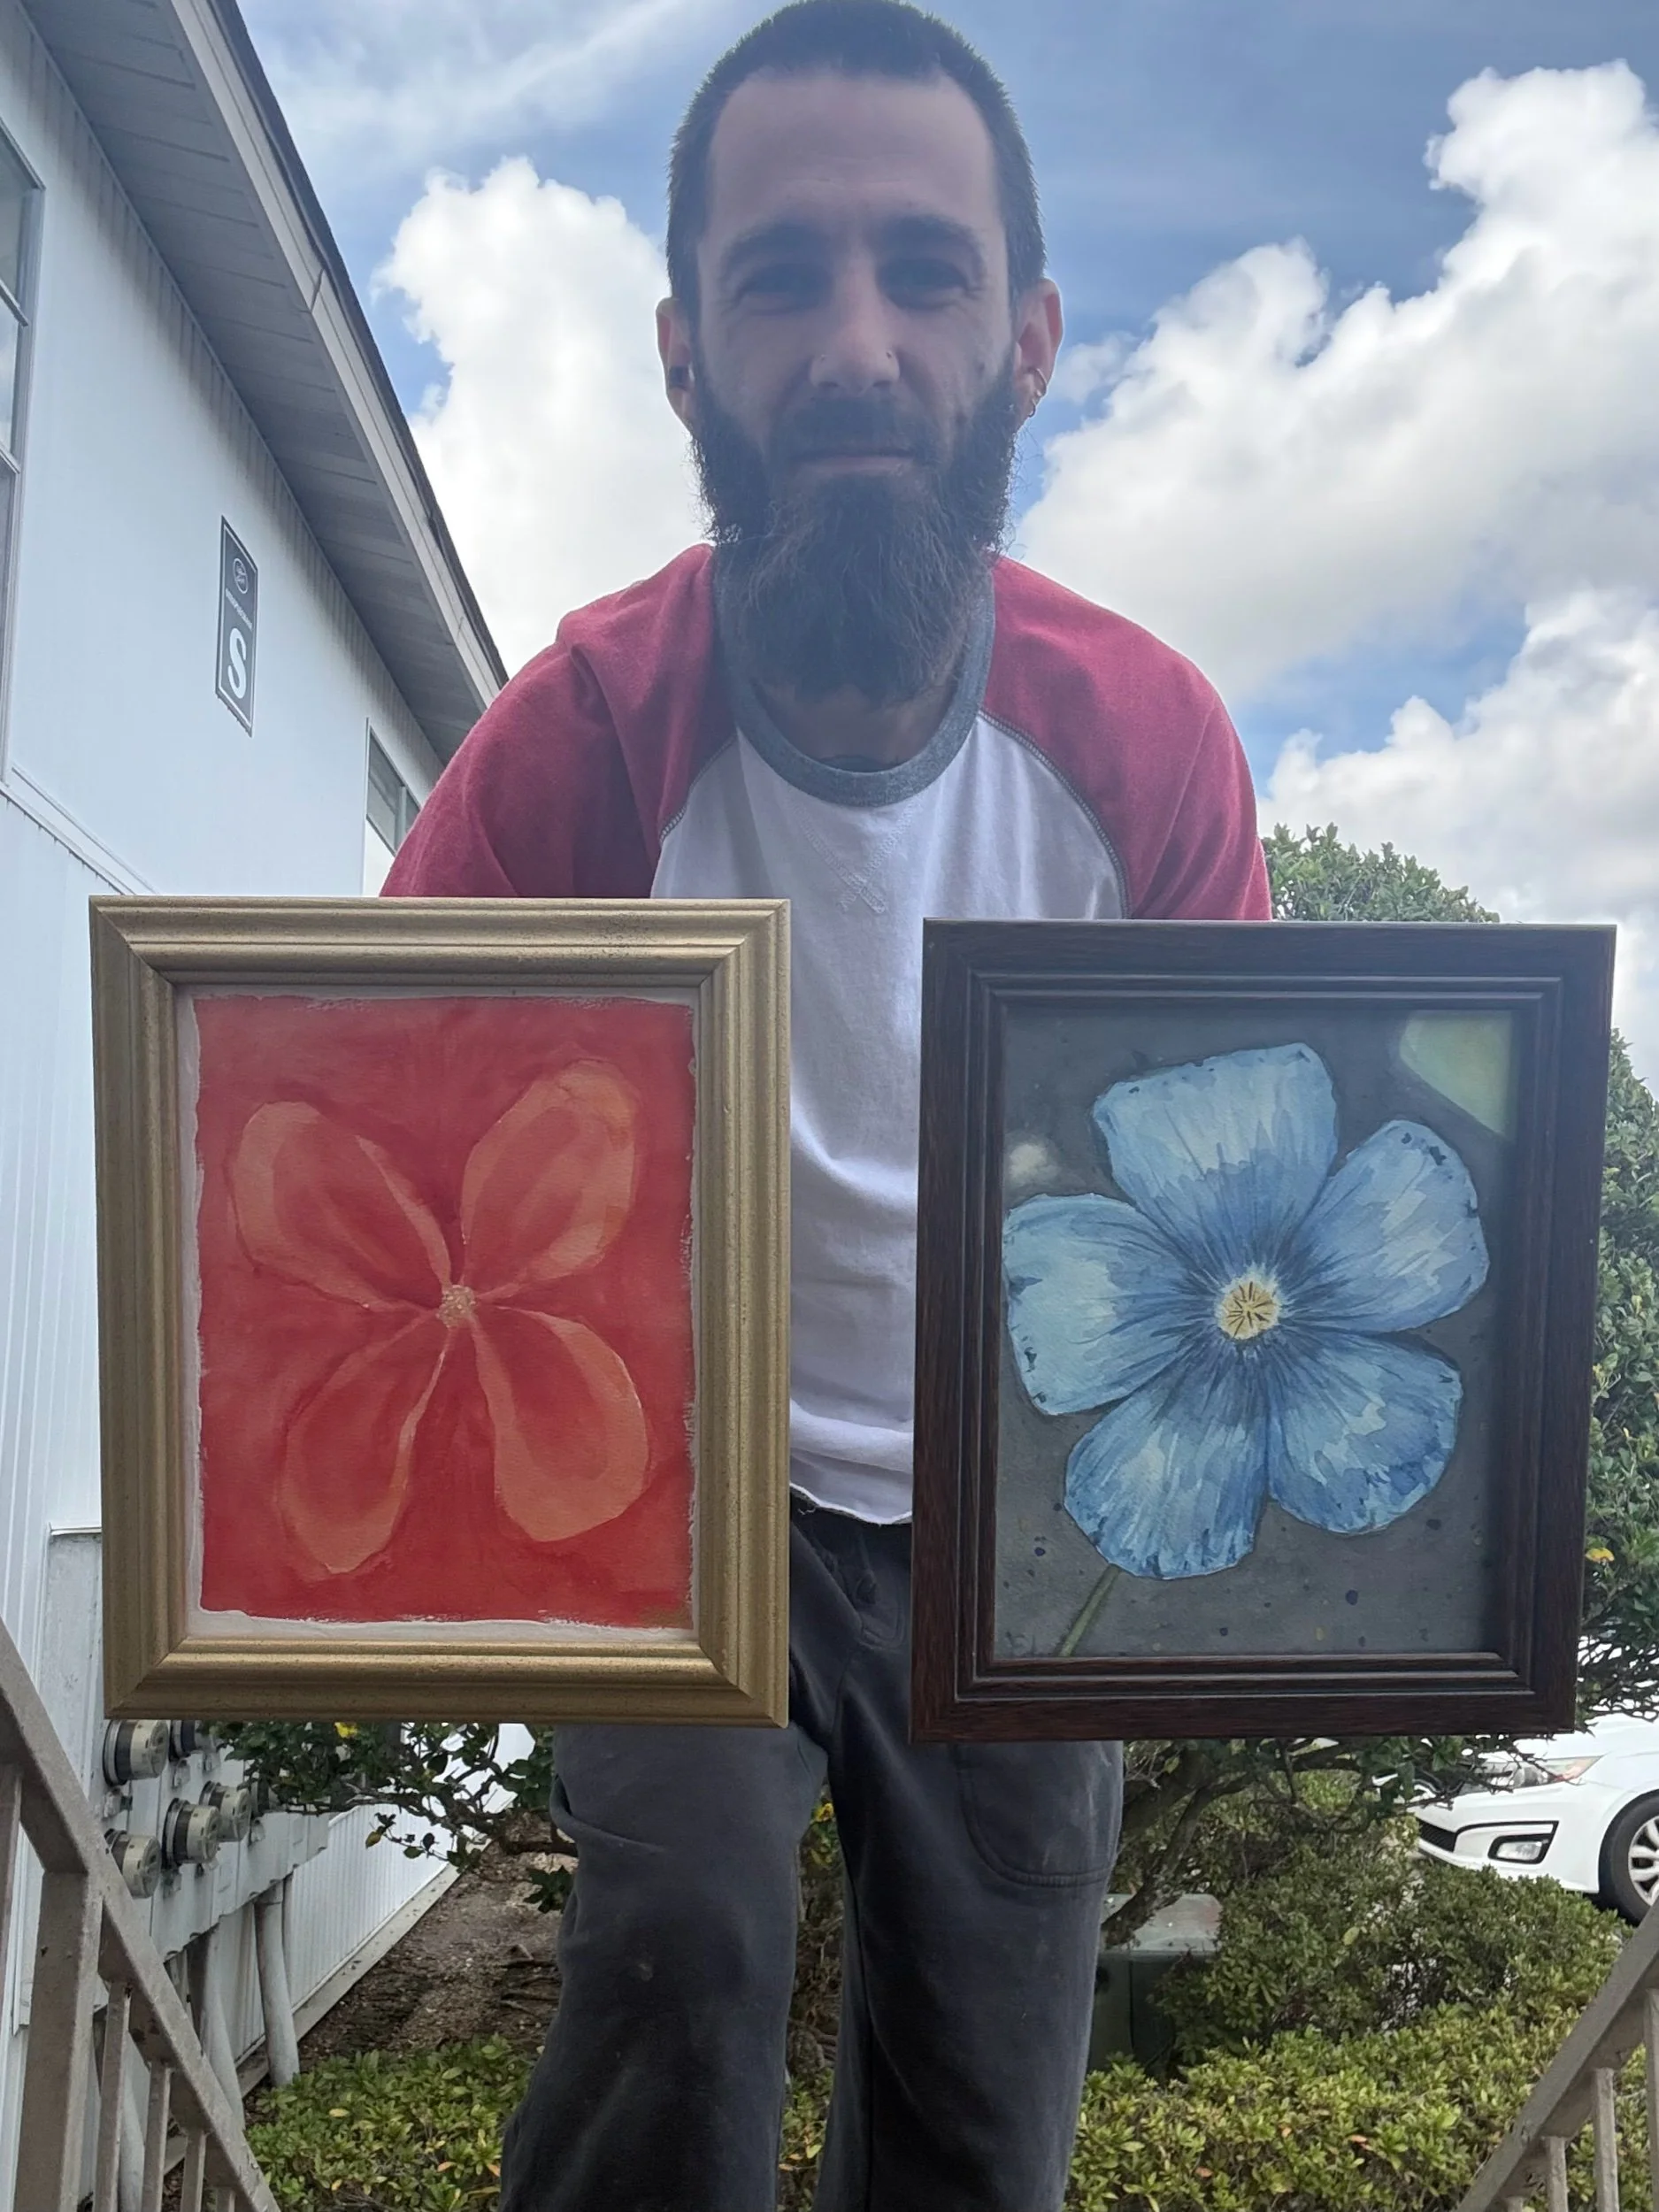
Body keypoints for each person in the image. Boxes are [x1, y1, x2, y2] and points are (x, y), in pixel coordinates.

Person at [386, 4, 1270, 2204]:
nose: (856, 343)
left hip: (1018, 1500)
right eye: (780, 277)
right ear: (686, 353)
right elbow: (373, 1140)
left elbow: (1259, 1193)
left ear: (1028, 337)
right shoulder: (581, 737)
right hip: (676, 1478)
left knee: (986, 2093)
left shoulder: (1147, 741)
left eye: (922, 271)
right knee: (678, 1950)